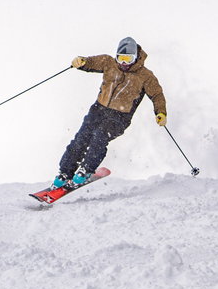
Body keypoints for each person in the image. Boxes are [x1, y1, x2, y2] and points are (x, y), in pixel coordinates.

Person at [52, 37, 167, 187]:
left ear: (136, 58)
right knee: (82, 137)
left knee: (99, 136)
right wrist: (81, 61)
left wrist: (161, 112)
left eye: (128, 59)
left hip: (119, 117)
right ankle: (65, 172)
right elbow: (90, 62)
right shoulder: (109, 63)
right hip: (98, 110)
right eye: (121, 58)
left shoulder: (145, 76)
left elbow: (157, 95)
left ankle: (85, 170)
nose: (123, 63)